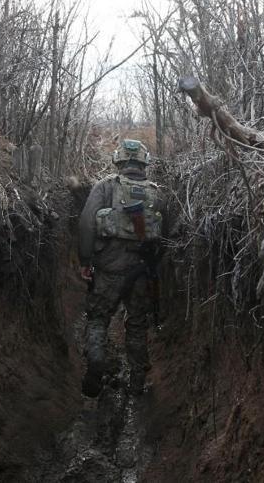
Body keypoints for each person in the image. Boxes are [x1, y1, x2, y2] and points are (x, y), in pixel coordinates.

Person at [78, 138, 169, 397]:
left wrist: (85, 261)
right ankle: (137, 383)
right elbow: (167, 235)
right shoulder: (157, 193)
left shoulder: (104, 187)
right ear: (144, 162)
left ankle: (95, 363)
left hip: (108, 270)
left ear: (119, 160)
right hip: (141, 272)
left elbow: (86, 224)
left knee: (97, 319)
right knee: (138, 326)